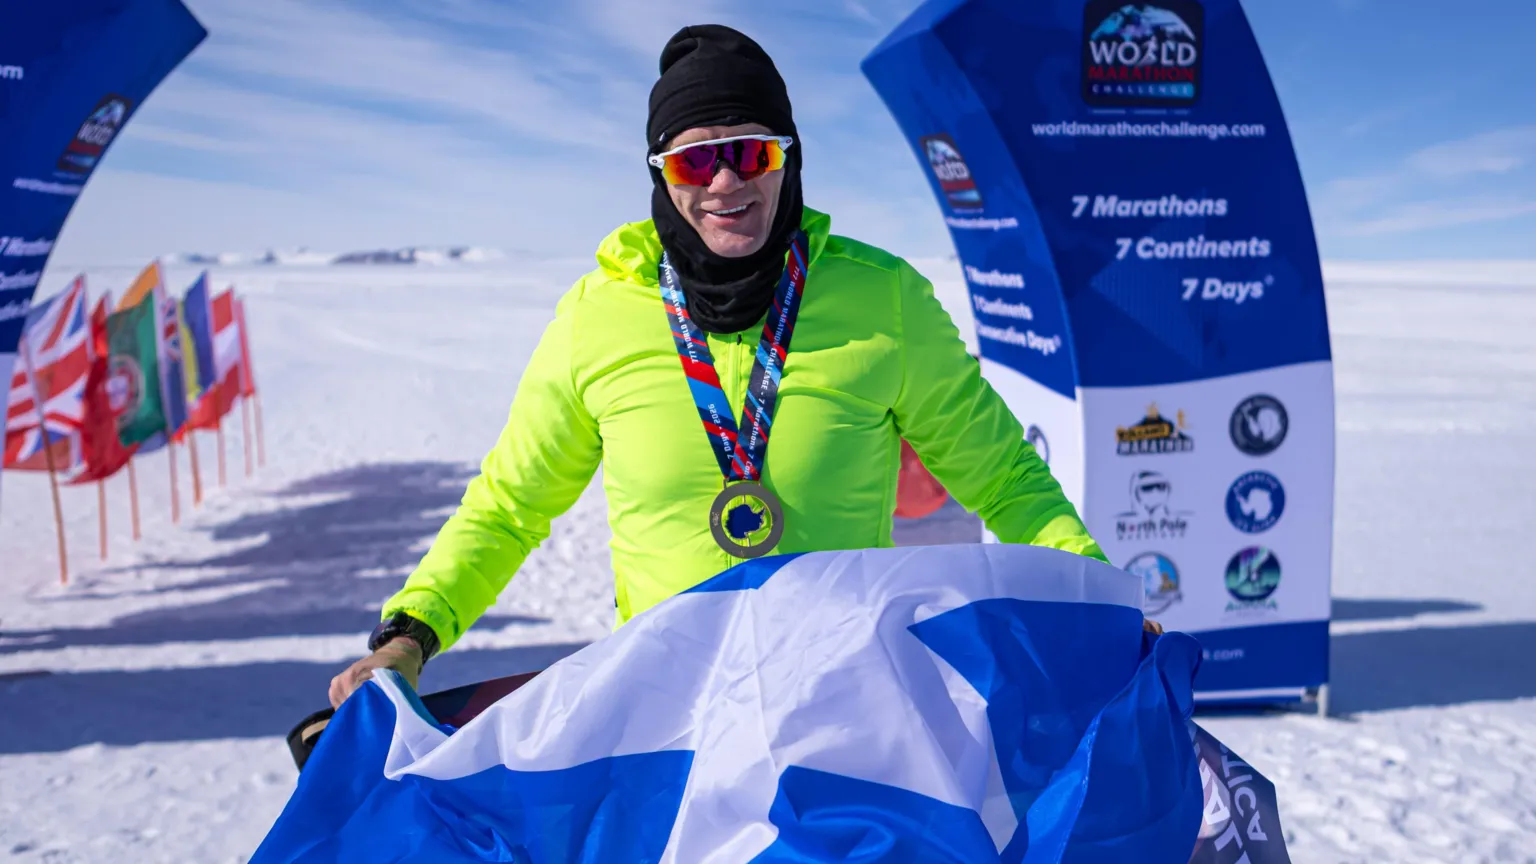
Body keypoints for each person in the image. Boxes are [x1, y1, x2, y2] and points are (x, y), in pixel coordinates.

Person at [330, 24, 1140, 709]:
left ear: (788, 159)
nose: (726, 181)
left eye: (751, 151)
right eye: (694, 161)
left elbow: (1004, 478)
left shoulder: (882, 300)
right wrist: (411, 633)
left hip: (847, 706)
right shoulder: (597, 319)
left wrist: (1102, 601)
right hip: (663, 712)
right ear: (660, 174)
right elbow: (509, 507)